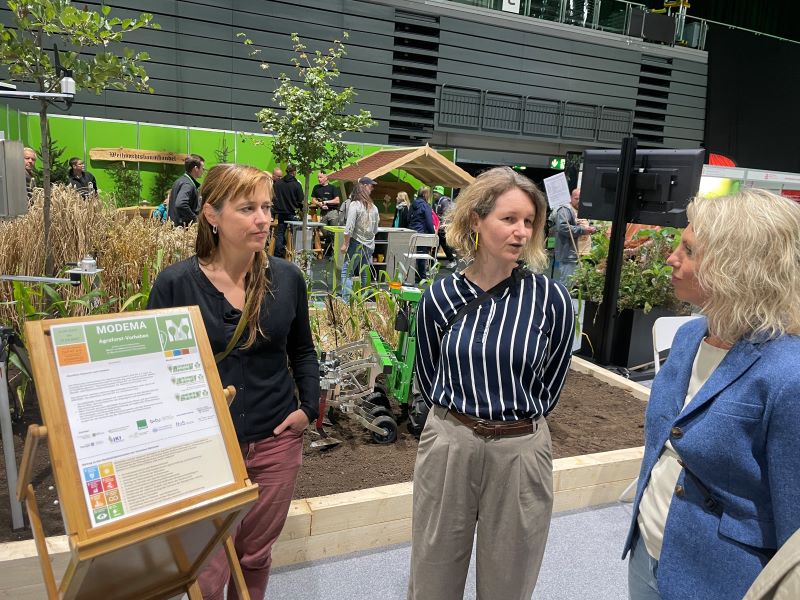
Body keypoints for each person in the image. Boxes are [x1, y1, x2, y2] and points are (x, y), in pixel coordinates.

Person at [147, 164, 319, 600]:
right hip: (205, 448)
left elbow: (302, 351)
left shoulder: (287, 278)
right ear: (212, 215)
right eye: (247, 208)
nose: (264, 218)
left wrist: (307, 409)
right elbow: (152, 372)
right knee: (208, 563)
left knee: (255, 557)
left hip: (276, 441)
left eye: (265, 207)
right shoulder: (174, 285)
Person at [623, 188, 800, 600]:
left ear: (737, 267)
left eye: (689, 250)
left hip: (721, 580)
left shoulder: (788, 374)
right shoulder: (688, 336)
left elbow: (795, 522)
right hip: (648, 550)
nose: (671, 258)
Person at [409, 166, 575, 600]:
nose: (521, 232)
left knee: (509, 582)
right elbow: (428, 374)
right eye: (509, 219)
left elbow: (551, 382)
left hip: (520, 450)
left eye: (528, 222)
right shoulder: (441, 296)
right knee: (433, 575)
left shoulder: (551, 299)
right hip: (450, 441)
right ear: (477, 221)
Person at [339, 176, 379, 302]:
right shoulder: (373, 207)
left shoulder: (355, 205)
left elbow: (349, 227)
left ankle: (346, 302)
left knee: (347, 273)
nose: (372, 188)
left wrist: (345, 244)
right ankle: (364, 301)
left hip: (356, 243)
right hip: (369, 244)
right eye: (371, 185)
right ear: (364, 186)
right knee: (364, 273)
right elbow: (375, 229)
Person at [553, 187, 596, 287]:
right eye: (577, 198)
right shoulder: (565, 210)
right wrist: (584, 230)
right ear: (570, 198)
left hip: (583, 254)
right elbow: (563, 228)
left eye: (582, 199)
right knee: (567, 284)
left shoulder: (583, 211)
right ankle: (563, 302)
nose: (579, 201)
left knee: (578, 285)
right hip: (570, 255)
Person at [272, 164, 304, 258]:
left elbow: (273, 198)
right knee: (297, 233)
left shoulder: (277, 184)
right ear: (294, 172)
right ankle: (297, 254)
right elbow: (301, 200)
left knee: (280, 234)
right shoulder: (296, 184)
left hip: (281, 213)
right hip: (293, 213)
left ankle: (278, 255)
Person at [167, 154, 204, 227]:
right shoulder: (188, 184)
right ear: (196, 168)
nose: (203, 171)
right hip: (181, 230)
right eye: (202, 168)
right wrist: (195, 219)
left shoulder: (180, 180)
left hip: (174, 228)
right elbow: (181, 204)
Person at [407, 186, 436, 280]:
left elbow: (408, 218)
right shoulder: (426, 206)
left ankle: (409, 274)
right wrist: (433, 234)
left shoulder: (412, 204)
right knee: (421, 254)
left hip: (412, 232)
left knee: (411, 254)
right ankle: (422, 276)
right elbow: (429, 222)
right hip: (421, 233)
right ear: (424, 194)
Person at [311, 172, 340, 254]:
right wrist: (319, 203)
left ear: (326, 178)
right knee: (325, 232)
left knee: (334, 233)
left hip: (332, 212)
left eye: (320, 177)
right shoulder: (316, 187)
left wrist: (326, 202)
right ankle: (329, 250)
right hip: (323, 212)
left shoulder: (333, 188)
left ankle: (334, 252)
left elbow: (337, 200)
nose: (319, 179)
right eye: (318, 177)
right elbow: (313, 199)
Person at [433, 185, 457, 267]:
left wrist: (441, 224)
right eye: (434, 193)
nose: (434, 194)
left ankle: (452, 260)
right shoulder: (436, 202)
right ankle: (433, 262)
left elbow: (445, 215)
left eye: (436, 193)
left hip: (443, 227)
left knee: (444, 244)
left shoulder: (444, 202)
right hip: (438, 227)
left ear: (440, 193)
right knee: (438, 244)